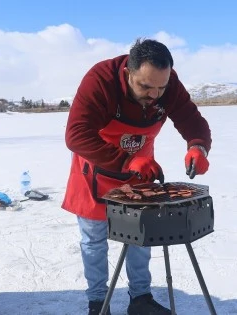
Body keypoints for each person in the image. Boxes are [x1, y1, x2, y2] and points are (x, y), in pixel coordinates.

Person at [62, 38, 212, 315]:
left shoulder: (166, 85)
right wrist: (128, 159)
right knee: (94, 241)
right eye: (145, 86)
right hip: (96, 170)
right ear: (128, 72)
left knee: (142, 235)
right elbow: (76, 135)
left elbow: (192, 120)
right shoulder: (100, 80)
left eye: (161, 87)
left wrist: (198, 146)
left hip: (141, 172)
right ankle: (98, 302)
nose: (155, 94)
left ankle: (140, 299)